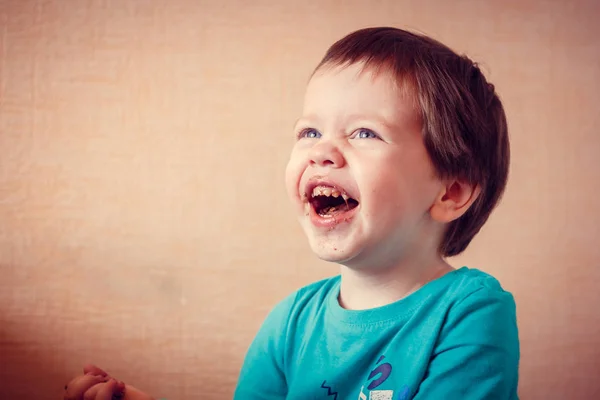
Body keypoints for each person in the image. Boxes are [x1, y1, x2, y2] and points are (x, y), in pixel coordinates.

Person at [63, 26, 520, 400]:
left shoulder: (470, 311)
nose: (322, 152)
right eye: (309, 131)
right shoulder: (291, 322)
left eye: (363, 133)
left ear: (451, 192)